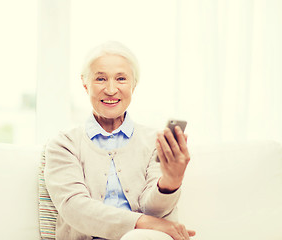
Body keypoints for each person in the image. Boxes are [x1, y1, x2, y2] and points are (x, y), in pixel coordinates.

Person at [45, 41, 195, 240]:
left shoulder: (154, 141)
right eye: (100, 79)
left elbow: (154, 211)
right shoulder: (64, 144)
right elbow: (74, 207)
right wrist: (142, 222)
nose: (111, 89)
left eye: (121, 79)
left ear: (133, 84)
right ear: (85, 83)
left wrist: (171, 181)